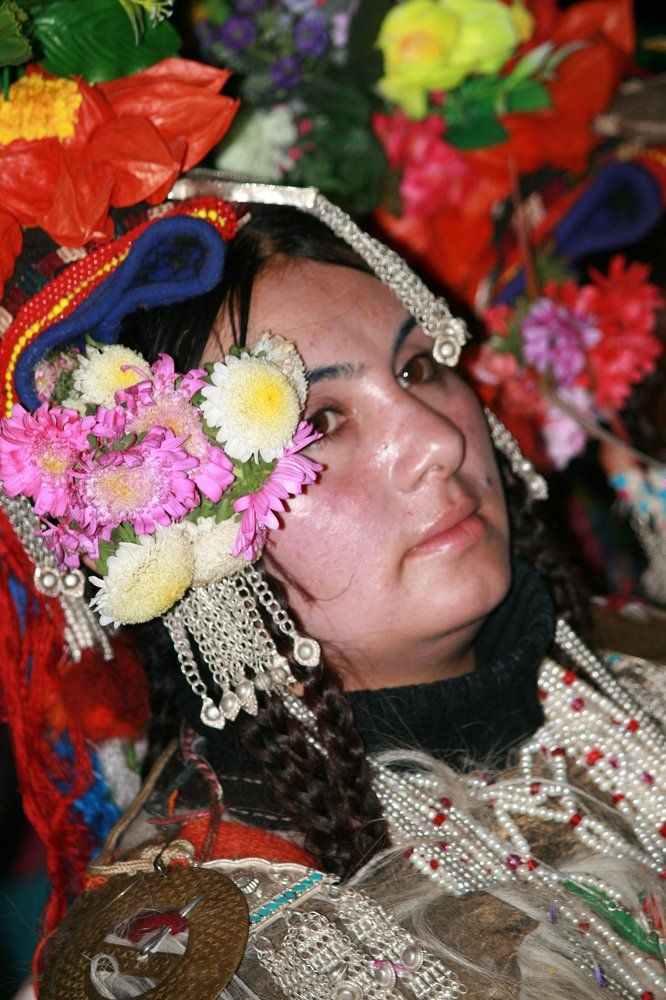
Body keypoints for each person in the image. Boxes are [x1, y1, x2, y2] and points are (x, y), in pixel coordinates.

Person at [0, 181, 664, 999]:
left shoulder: (637, 663)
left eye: (418, 368)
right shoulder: (213, 952)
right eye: (321, 422)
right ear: (183, 534)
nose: (440, 440)